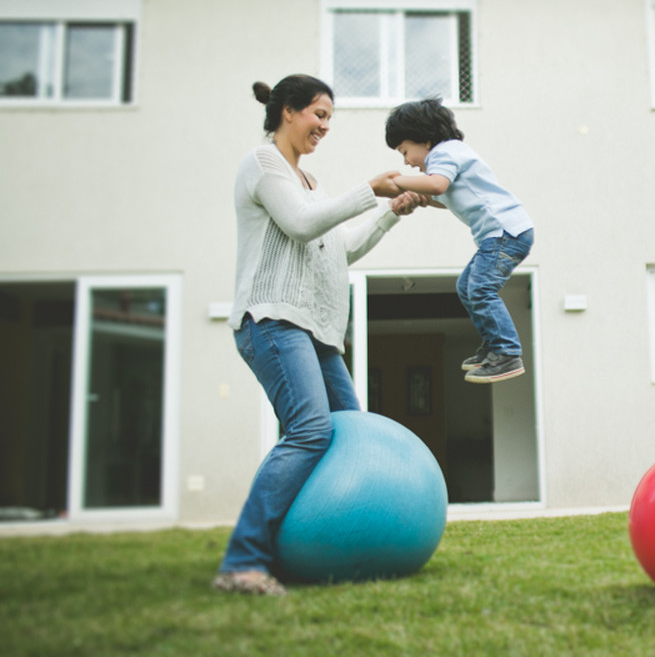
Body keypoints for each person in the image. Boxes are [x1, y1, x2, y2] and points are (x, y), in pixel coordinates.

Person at [214, 74, 419, 596]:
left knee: (349, 434)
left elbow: (339, 248)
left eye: (329, 118)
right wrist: (368, 189)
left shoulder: (310, 185)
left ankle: (337, 547)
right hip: (274, 319)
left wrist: (388, 215)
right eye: (318, 114)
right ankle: (242, 563)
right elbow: (303, 226)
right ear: (287, 111)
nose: (324, 126)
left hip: (317, 333)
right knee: (310, 432)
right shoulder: (263, 165)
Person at [384, 97, 534, 384]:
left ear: (424, 140)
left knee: (479, 288)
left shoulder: (444, 153)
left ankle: (507, 352)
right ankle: (493, 346)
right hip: (501, 234)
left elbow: (437, 185)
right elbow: (442, 196)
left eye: (405, 151)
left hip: (505, 232)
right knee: (466, 286)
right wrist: (422, 200)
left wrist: (398, 180)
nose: (405, 161)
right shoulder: (449, 156)